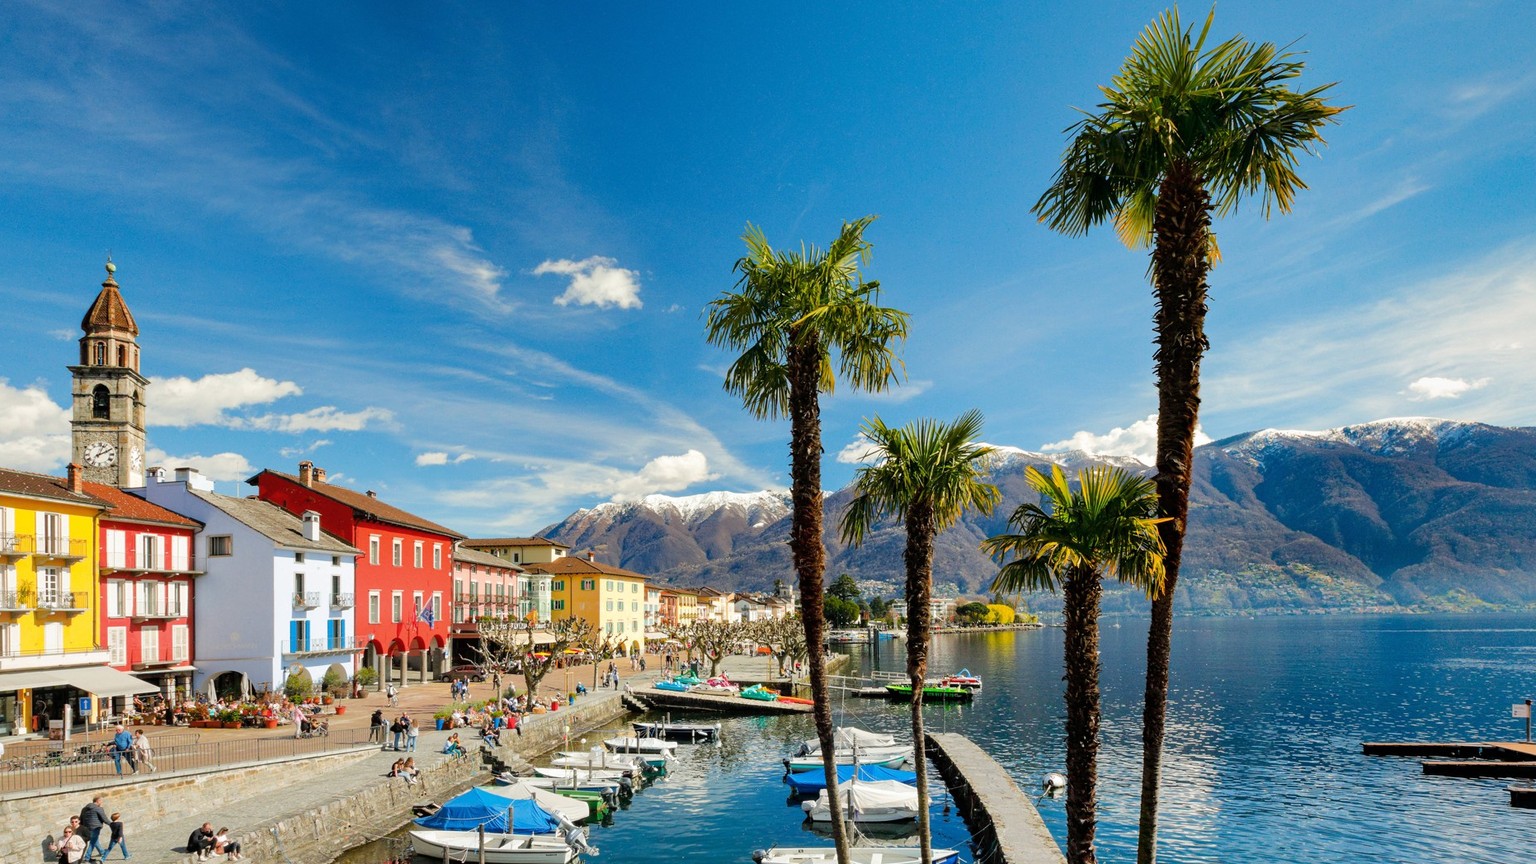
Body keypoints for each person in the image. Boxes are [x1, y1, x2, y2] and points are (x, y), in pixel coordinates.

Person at [80, 795, 110, 861]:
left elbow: (81, 818)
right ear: (98, 801)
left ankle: (102, 851)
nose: (101, 803)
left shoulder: (84, 809)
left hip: (86, 828)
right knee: (92, 842)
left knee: (94, 840)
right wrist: (112, 824)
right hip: (95, 827)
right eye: (101, 801)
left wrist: (81, 827)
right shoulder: (98, 808)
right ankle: (87, 857)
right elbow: (104, 818)